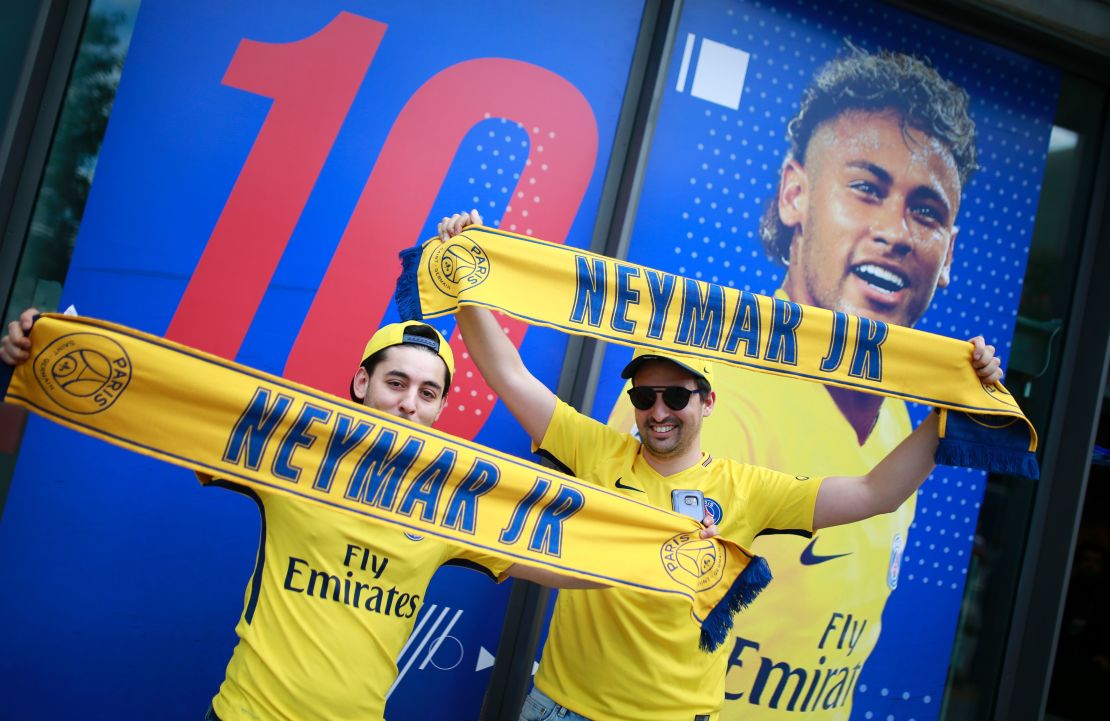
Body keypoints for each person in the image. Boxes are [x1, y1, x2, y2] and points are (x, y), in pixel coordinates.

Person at [433, 209, 1002, 721]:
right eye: (644, 396)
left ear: (706, 402)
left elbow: (876, 492)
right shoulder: (597, 450)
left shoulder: (746, 489)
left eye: (676, 397)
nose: (658, 411)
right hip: (562, 709)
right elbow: (509, 375)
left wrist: (949, 412)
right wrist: (466, 282)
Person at [0, 305, 626, 721]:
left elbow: (565, 561)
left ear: (440, 410)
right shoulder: (291, 452)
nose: (410, 404)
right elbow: (153, 403)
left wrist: (665, 556)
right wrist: (56, 345)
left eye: (428, 393)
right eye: (396, 383)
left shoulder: (454, 500)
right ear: (360, 384)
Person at [603, 47, 986, 719]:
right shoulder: (693, 393)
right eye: (867, 188)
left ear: (948, 254)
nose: (895, 231)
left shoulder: (906, 425)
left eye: (926, 211)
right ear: (794, 194)